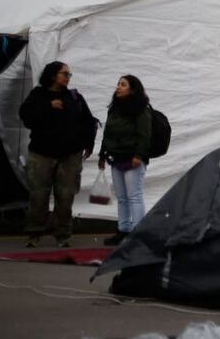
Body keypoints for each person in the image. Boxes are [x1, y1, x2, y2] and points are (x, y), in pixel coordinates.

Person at [19, 61, 98, 248]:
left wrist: (89, 143)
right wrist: (48, 107)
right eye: (64, 73)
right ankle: (34, 233)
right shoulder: (38, 95)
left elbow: (88, 121)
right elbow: (26, 118)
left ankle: (63, 234)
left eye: (69, 74)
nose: (68, 77)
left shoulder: (74, 96)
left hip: (70, 155)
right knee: (38, 195)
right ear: (53, 75)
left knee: (66, 196)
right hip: (41, 154)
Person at [98, 75, 152, 246]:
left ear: (133, 89)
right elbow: (107, 132)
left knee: (134, 196)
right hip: (116, 157)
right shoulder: (114, 108)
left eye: (123, 85)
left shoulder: (141, 108)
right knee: (121, 197)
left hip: (132, 158)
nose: (118, 87)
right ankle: (123, 230)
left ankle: (138, 234)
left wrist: (139, 155)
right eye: (118, 84)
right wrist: (102, 154)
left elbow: (145, 134)